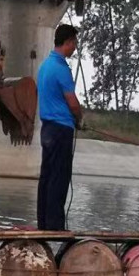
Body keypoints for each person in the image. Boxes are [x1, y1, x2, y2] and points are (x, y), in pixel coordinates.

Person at [36, 24, 84, 230]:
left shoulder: (45, 66)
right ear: (68, 42)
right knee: (59, 177)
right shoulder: (62, 69)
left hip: (47, 129)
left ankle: (43, 223)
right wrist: (79, 118)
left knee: (46, 176)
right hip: (61, 129)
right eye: (74, 43)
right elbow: (72, 102)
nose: (75, 48)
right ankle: (55, 226)